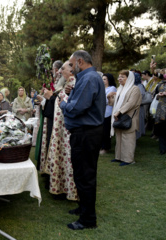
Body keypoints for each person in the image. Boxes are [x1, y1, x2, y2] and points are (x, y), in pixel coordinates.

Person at [59, 50, 105, 230]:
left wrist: (63, 102)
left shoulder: (88, 78)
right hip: (86, 132)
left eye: (71, 64)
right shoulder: (88, 78)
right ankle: (83, 208)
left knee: (85, 175)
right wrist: (72, 92)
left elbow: (76, 108)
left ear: (79, 62)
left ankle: (88, 219)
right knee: (82, 174)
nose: (70, 68)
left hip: (86, 133)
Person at [40, 61, 77, 201]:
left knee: (67, 160)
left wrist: (53, 98)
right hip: (59, 129)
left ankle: (67, 189)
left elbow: (68, 105)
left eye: (63, 69)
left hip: (66, 131)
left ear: (72, 71)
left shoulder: (72, 85)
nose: (60, 72)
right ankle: (60, 186)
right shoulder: (67, 85)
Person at [35, 60, 64, 171]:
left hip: (56, 119)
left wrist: (45, 99)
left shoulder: (62, 84)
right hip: (51, 116)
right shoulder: (57, 83)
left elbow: (57, 101)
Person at [109, 70, 142, 166]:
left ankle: (128, 160)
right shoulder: (120, 89)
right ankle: (119, 157)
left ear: (129, 78)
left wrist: (119, 112)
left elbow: (131, 103)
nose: (119, 79)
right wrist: (109, 97)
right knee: (119, 136)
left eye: (122, 77)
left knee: (128, 138)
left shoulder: (134, 89)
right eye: (119, 77)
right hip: (118, 117)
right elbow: (113, 103)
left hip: (128, 117)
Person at [100, 74, 117, 154]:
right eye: (102, 79)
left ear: (109, 80)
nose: (103, 81)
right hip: (101, 112)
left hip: (108, 112)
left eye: (105, 79)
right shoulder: (101, 88)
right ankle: (101, 146)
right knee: (101, 131)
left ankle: (106, 148)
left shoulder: (112, 88)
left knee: (106, 131)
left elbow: (108, 101)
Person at [154, 77, 166, 154]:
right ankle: (162, 149)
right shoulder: (160, 84)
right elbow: (155, 95)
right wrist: (158, 95)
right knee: (162, 129)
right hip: (161, 109)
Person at [134, 73, 146, 139]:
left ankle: (138, 136)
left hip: (139, 106)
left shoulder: (140, 86)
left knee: (139, 121)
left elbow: (141, 96)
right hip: (136, 106)